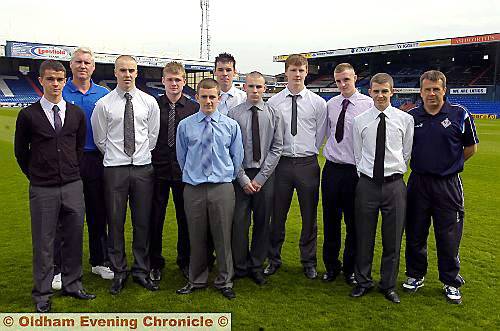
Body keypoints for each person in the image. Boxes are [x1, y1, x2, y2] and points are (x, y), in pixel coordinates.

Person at [14, 60, 96, 313]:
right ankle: (42, 292)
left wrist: (70, 172)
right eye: (50, 79)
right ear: (41, 80)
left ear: (65, 80)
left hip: (72, 185)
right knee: (44, 242)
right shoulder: (28, 115)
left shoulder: (75, 113)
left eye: (60, 79)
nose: (56, 84)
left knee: (73, 238)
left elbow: (79, 148)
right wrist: (39, 175)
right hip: (43, 189)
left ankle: (73, 284)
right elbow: (21, 153)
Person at [403, 70, 478, 304]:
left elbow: (471, 148)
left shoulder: (459, 114)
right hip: (418, 183)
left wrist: (449, 166)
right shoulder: (411, 117)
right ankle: (416, 275)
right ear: (421, 91)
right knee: (415, 232)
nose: (432, 93)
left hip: (448, 184)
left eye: (436, 89)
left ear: (444, 90)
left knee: (448, 235)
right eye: (427, 89)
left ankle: (450, 280)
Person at [91, 55, 160, 295]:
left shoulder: (149, 102)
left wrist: (138, 156)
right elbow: (100, 139)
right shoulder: (104, 104)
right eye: (123, 70)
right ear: (115, 72)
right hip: (115, 169)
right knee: (116, 222)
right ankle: (119, 270)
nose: (127, 74)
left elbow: (152, 136)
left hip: (142, 168)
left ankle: (141, 270)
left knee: (142, 222)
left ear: (137, 72)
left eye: (131, 70)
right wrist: (118, 157)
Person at [175, 78, 243, 300]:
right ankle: (196, 279)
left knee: (223, 236)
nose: (208, 101)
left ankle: (224, 280)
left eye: (212, 96)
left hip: (222, 187)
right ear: (197, 98)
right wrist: (195, 175)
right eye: (203, 96)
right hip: (194, 187)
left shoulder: (230, 126)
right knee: (196, 236)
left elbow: (237, 157)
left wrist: (224, 178)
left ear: (219, 98)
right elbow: (182, 157)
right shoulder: (185, 126)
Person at [350, 73, 414, 303]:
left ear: (392, 92)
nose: (380, 95)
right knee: (363, 237)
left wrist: (393, 172)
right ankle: (363, 281)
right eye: (376, 91)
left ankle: (388, 285)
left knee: (393, 239)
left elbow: (406, 153)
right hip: (367, 184)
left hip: (394, 186)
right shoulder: (360, 121)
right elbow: (358, 154)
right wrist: (368, 175)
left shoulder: (405, 120)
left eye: (384, 91)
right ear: (370, 92)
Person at [265, 54, 327, 279]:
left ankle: (308, 261)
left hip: (307, 163)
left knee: (309, 215)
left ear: (307, 71)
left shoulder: (318, 103)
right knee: (277, 214)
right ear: (286, 72)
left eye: (301, 71)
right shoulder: (274, 102)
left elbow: (320, 135)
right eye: (293, 70)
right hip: (281, 164)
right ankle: (273, 258)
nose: (297, 75)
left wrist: (305, 151)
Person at [56, 47, 112, 287]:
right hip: (68, 161)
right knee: (66, 216)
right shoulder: (61, 91)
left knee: (99, 213)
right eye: (78, 62)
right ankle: (61, 267)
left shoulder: (103, 94)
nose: (82, 66)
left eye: (87, 62)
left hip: (97, 159)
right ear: (71, 66)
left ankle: (99, 260)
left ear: (93, 67)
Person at [228, 71, 284, 285]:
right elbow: (231, 150)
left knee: (262, 222)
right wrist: (242, 178)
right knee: (239, 223)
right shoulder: (233, 114)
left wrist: (261, 178)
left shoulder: (273, 113)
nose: (254, 90)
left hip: (264, 175)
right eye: (251, 86)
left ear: (265, 89)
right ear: (244, 87)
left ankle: (256, 265)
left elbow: (277, 147)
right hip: (240, 175)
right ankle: (239, 266)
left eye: (259, 87)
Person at [321, 63, 373, 284]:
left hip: (354, 172)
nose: (342, 84)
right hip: (332, 169)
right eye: (338, 81)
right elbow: (325, 133)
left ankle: (350, 269)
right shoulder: (331, 104)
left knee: (354, 223)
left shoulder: (368, 105)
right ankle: (331, 266)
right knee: (330, 221)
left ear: (355, 78)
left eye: (346, 80)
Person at [149, 62, 198, 281]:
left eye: (178, 80)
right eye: (170, 79)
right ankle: (154, 262)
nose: (174, 83)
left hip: (183, 171)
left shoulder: (193, 108)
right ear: (163, 81)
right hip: (157, 169)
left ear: (184, 82)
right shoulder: (153, 105)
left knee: (184, 218)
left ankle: (185, 260)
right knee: (155, 218)